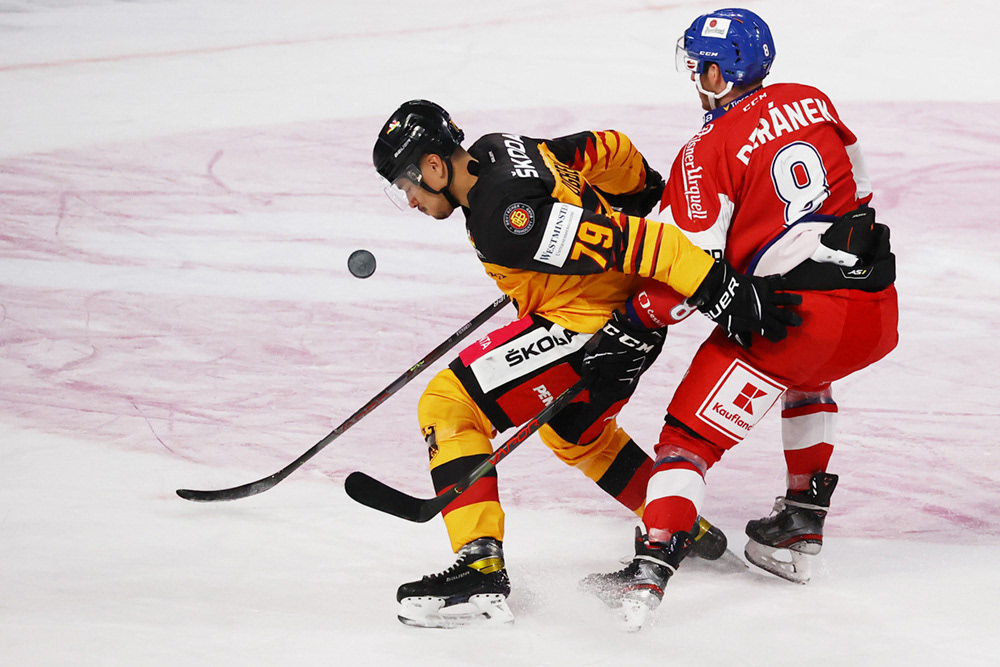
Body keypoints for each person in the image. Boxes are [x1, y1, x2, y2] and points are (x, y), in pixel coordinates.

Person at [371, 100, 800, 628]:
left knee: (448, 403)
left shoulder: (506, 218)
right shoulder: (500, 148)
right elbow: (608, 148)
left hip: (595, 332)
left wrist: (721, 289)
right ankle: (676, 524)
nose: (410, 199)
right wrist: (643, 190)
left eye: (406, 184)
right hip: (613, 317)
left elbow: (645, 242)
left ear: (434, 167)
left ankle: (479, 566)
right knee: (576, 434)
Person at [580, 8, 899, 629]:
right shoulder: (812, 100)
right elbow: (860, 189)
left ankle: (648, 572)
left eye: (699, 66)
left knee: (687, 442)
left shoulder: (705, 150)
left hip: (792, 325)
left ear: (718, 74)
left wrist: (637, 316)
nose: (694, 76)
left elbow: (686, 269)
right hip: (872, 311)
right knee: (809, 380)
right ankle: (799, 523)